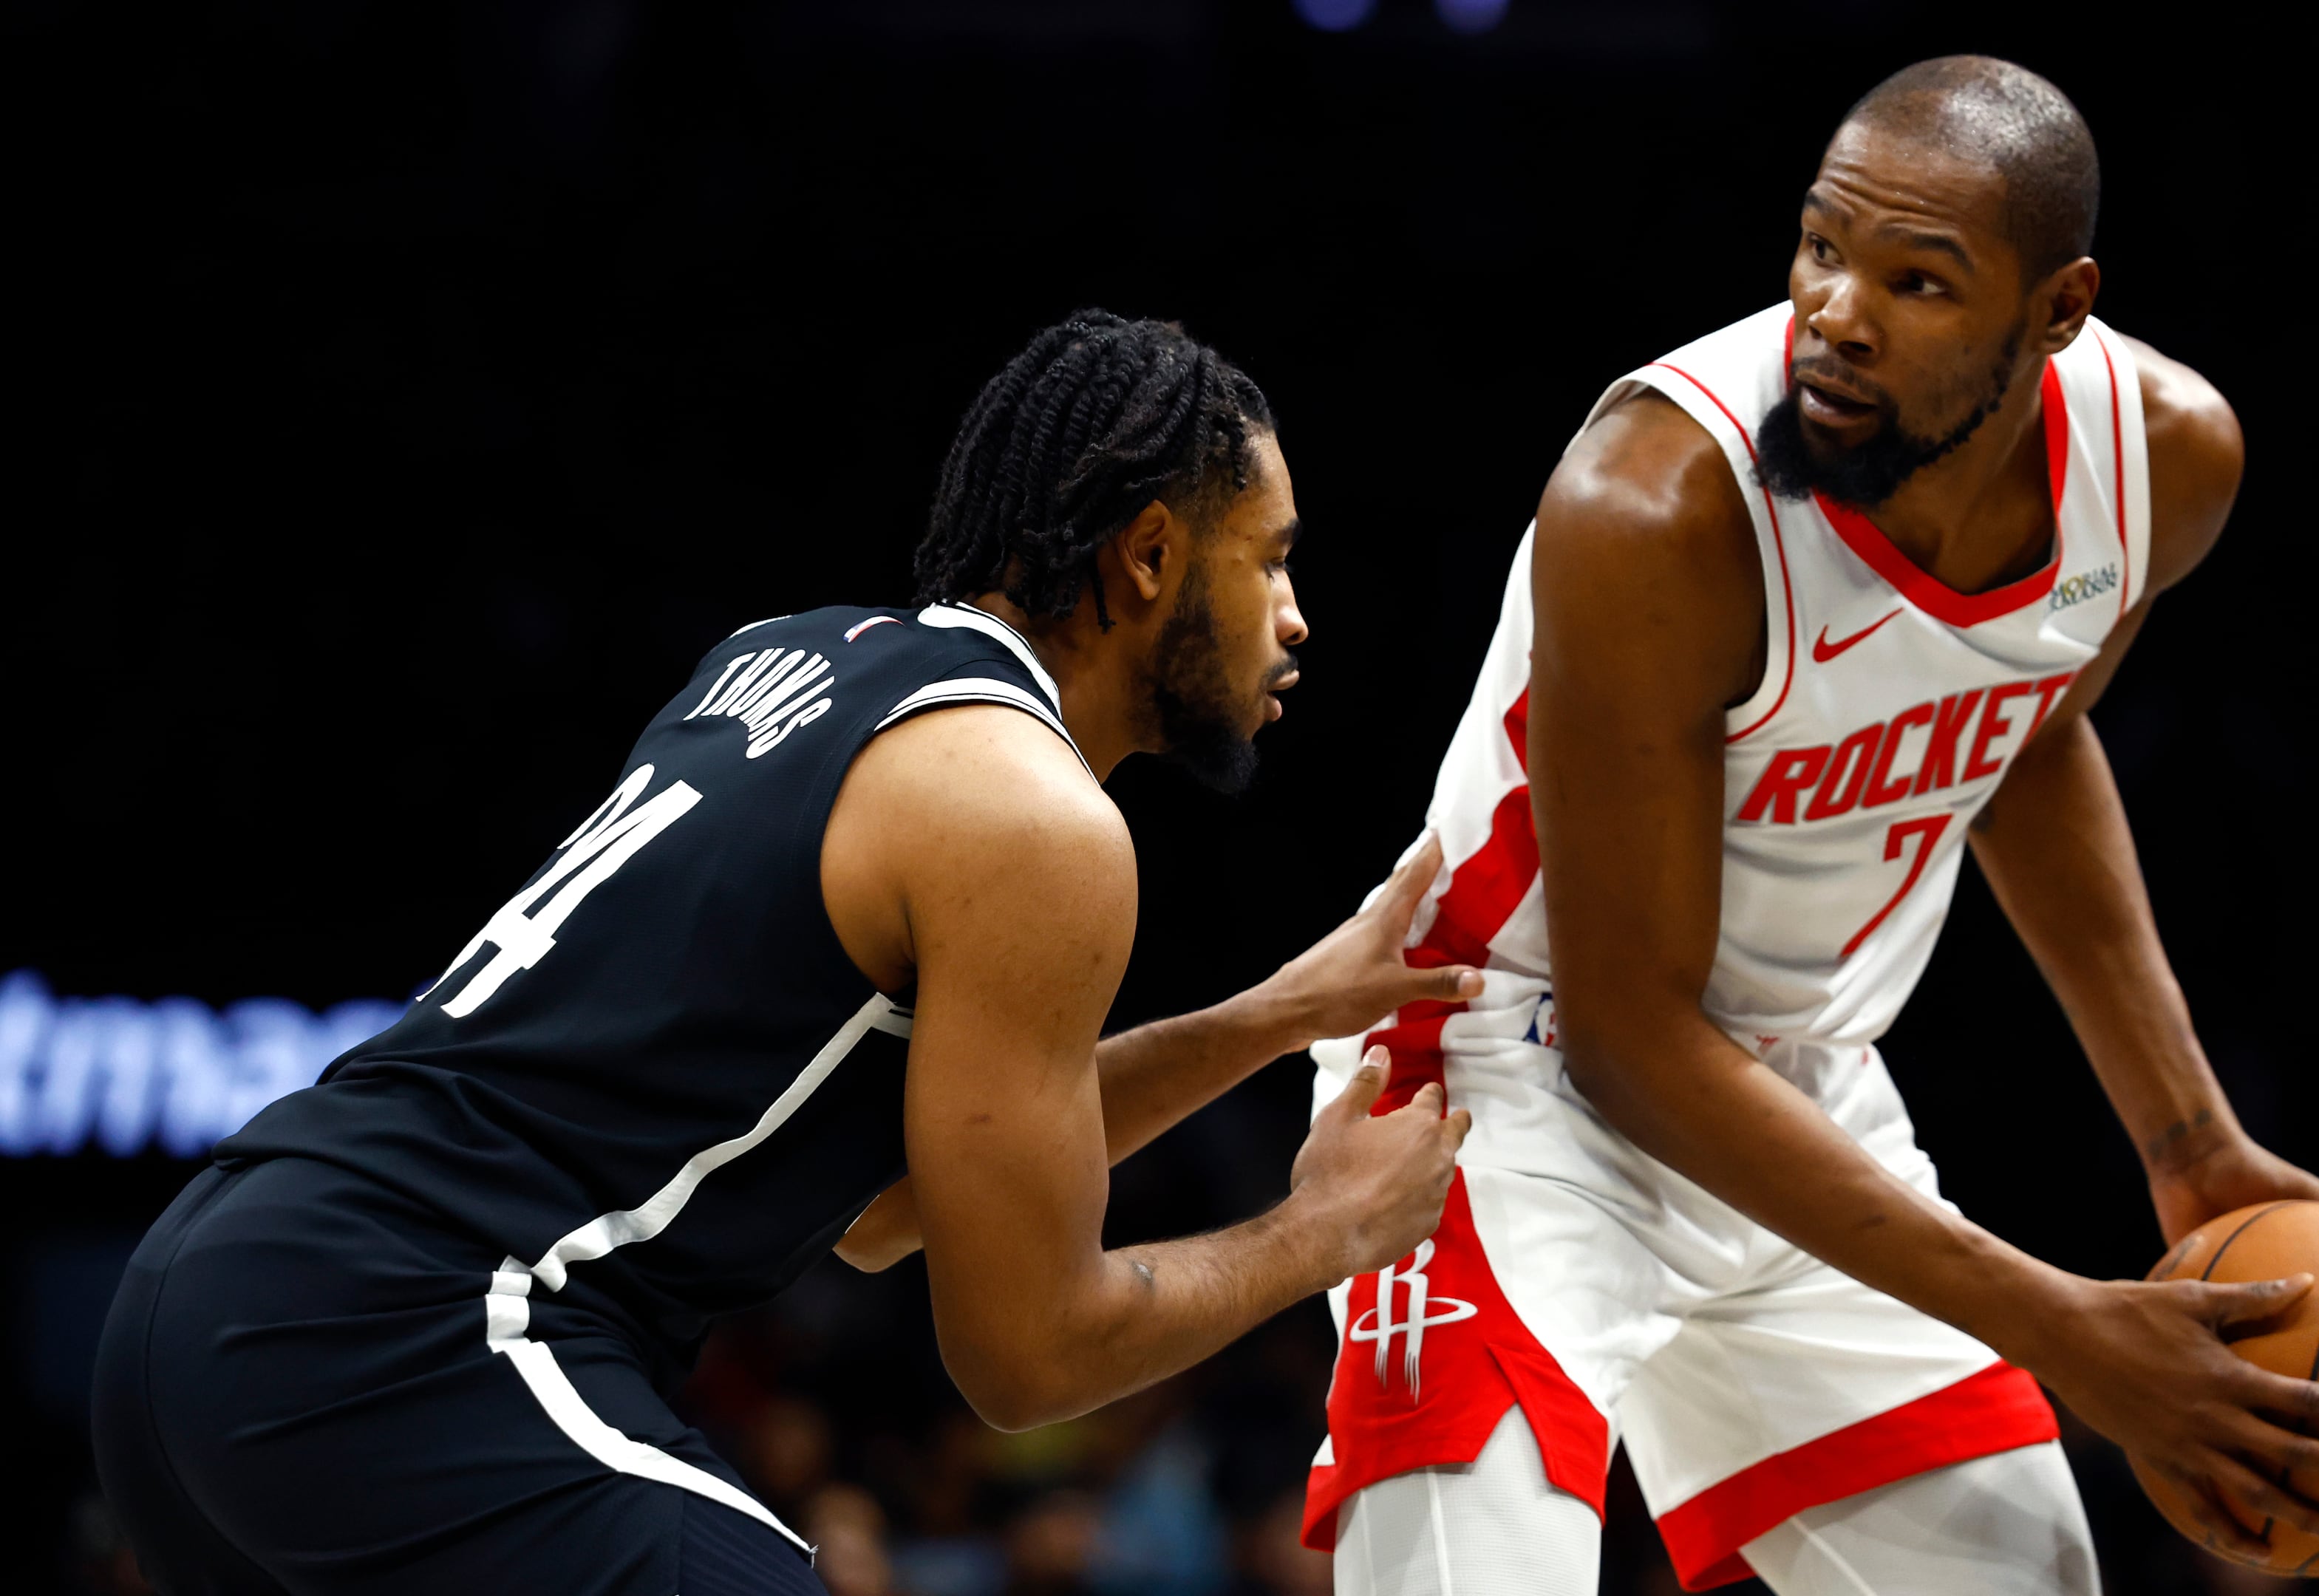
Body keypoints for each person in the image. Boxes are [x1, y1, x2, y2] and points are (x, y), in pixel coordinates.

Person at [92, 310, 1479, 1596]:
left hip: (201, 1297)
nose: (1296, 615)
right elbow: (1029, 1350)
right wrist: (1326, 1233)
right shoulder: (1038, 820)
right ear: (1154, 554)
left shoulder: (792, 659)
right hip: (416, 1328)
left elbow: (882, 1210)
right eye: (1276, 556)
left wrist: (1284, 1012)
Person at [1302, 58, 2319, 1595]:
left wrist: (2189, 1145)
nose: (1837, 311)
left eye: (1917, 281)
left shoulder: (2165, 463)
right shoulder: (1655, 503)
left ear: (2059, 310)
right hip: (1502, 1084)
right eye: (1823, 248)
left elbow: (2026, 741)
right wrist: (2058, 1326)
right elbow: (1628, 1038)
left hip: (1791, 1091)